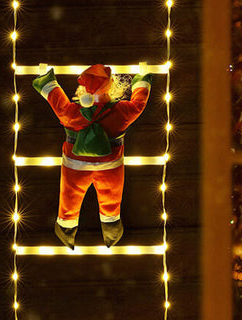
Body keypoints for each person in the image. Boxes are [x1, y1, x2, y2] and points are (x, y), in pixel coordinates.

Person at [32, 64, 152, 249]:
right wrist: (141, 79)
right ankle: (112, 229)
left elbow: (56, 99)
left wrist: (46, 79)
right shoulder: (120, 112)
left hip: (74, 166)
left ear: (83, 88)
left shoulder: (72, 112)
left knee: (69, 198)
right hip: (110, 167)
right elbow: (138, 105)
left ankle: (65, 228)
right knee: (111, 201)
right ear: (111, 86)